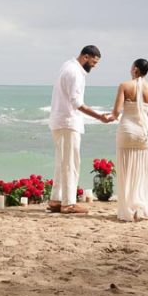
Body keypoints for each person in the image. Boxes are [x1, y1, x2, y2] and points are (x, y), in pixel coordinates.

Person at [48, 45, 113, 214]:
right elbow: (76, 102)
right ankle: (68, 203)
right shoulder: (75, 72)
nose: (94, 66)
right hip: (68, 122)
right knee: (71, 163)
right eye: (93, 62)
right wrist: (99, 116)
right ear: (85, 57)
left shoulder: (67, 65)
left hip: (59, 121)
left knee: (62, 162)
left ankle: (56, 200)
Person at [110, 58, 148, 222]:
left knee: (126, 172)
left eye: (131, 67)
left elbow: (116, 112)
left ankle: (128, 209)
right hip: (144, 134)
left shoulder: (124, 86)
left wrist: (106, 117)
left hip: (126, 132)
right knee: (145, 173)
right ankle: (142, 207)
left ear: (135, 69)